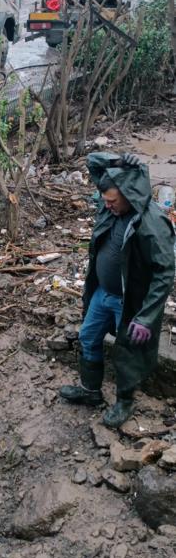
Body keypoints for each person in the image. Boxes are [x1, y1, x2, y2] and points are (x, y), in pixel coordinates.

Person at [60, 152, 175, 428]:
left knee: (126, 352)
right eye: (105, 200)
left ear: (128, 194)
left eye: (112, 200)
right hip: (103, 292)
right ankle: (90, 392)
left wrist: (147, 317)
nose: (106, 204)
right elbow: (92, 162)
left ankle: (124, 402)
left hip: (130, 301)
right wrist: (117, 162)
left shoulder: (151, 222)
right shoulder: (111, 206)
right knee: (88, 336)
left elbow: (165, 272)